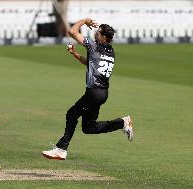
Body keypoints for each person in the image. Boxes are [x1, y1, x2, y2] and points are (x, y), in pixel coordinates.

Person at [42, 18, 133, 160]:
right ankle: (122, 122)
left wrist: (85, 21)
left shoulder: (94, 46)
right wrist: (75, 54)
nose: (95, 34)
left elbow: (72, 32)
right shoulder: (110, 51)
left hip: (94, 93)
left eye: (97, 33)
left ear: (103, 37)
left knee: (71, 114)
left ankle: (61, 149)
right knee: (88, 128)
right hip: (102, 93)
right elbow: (91, 63)